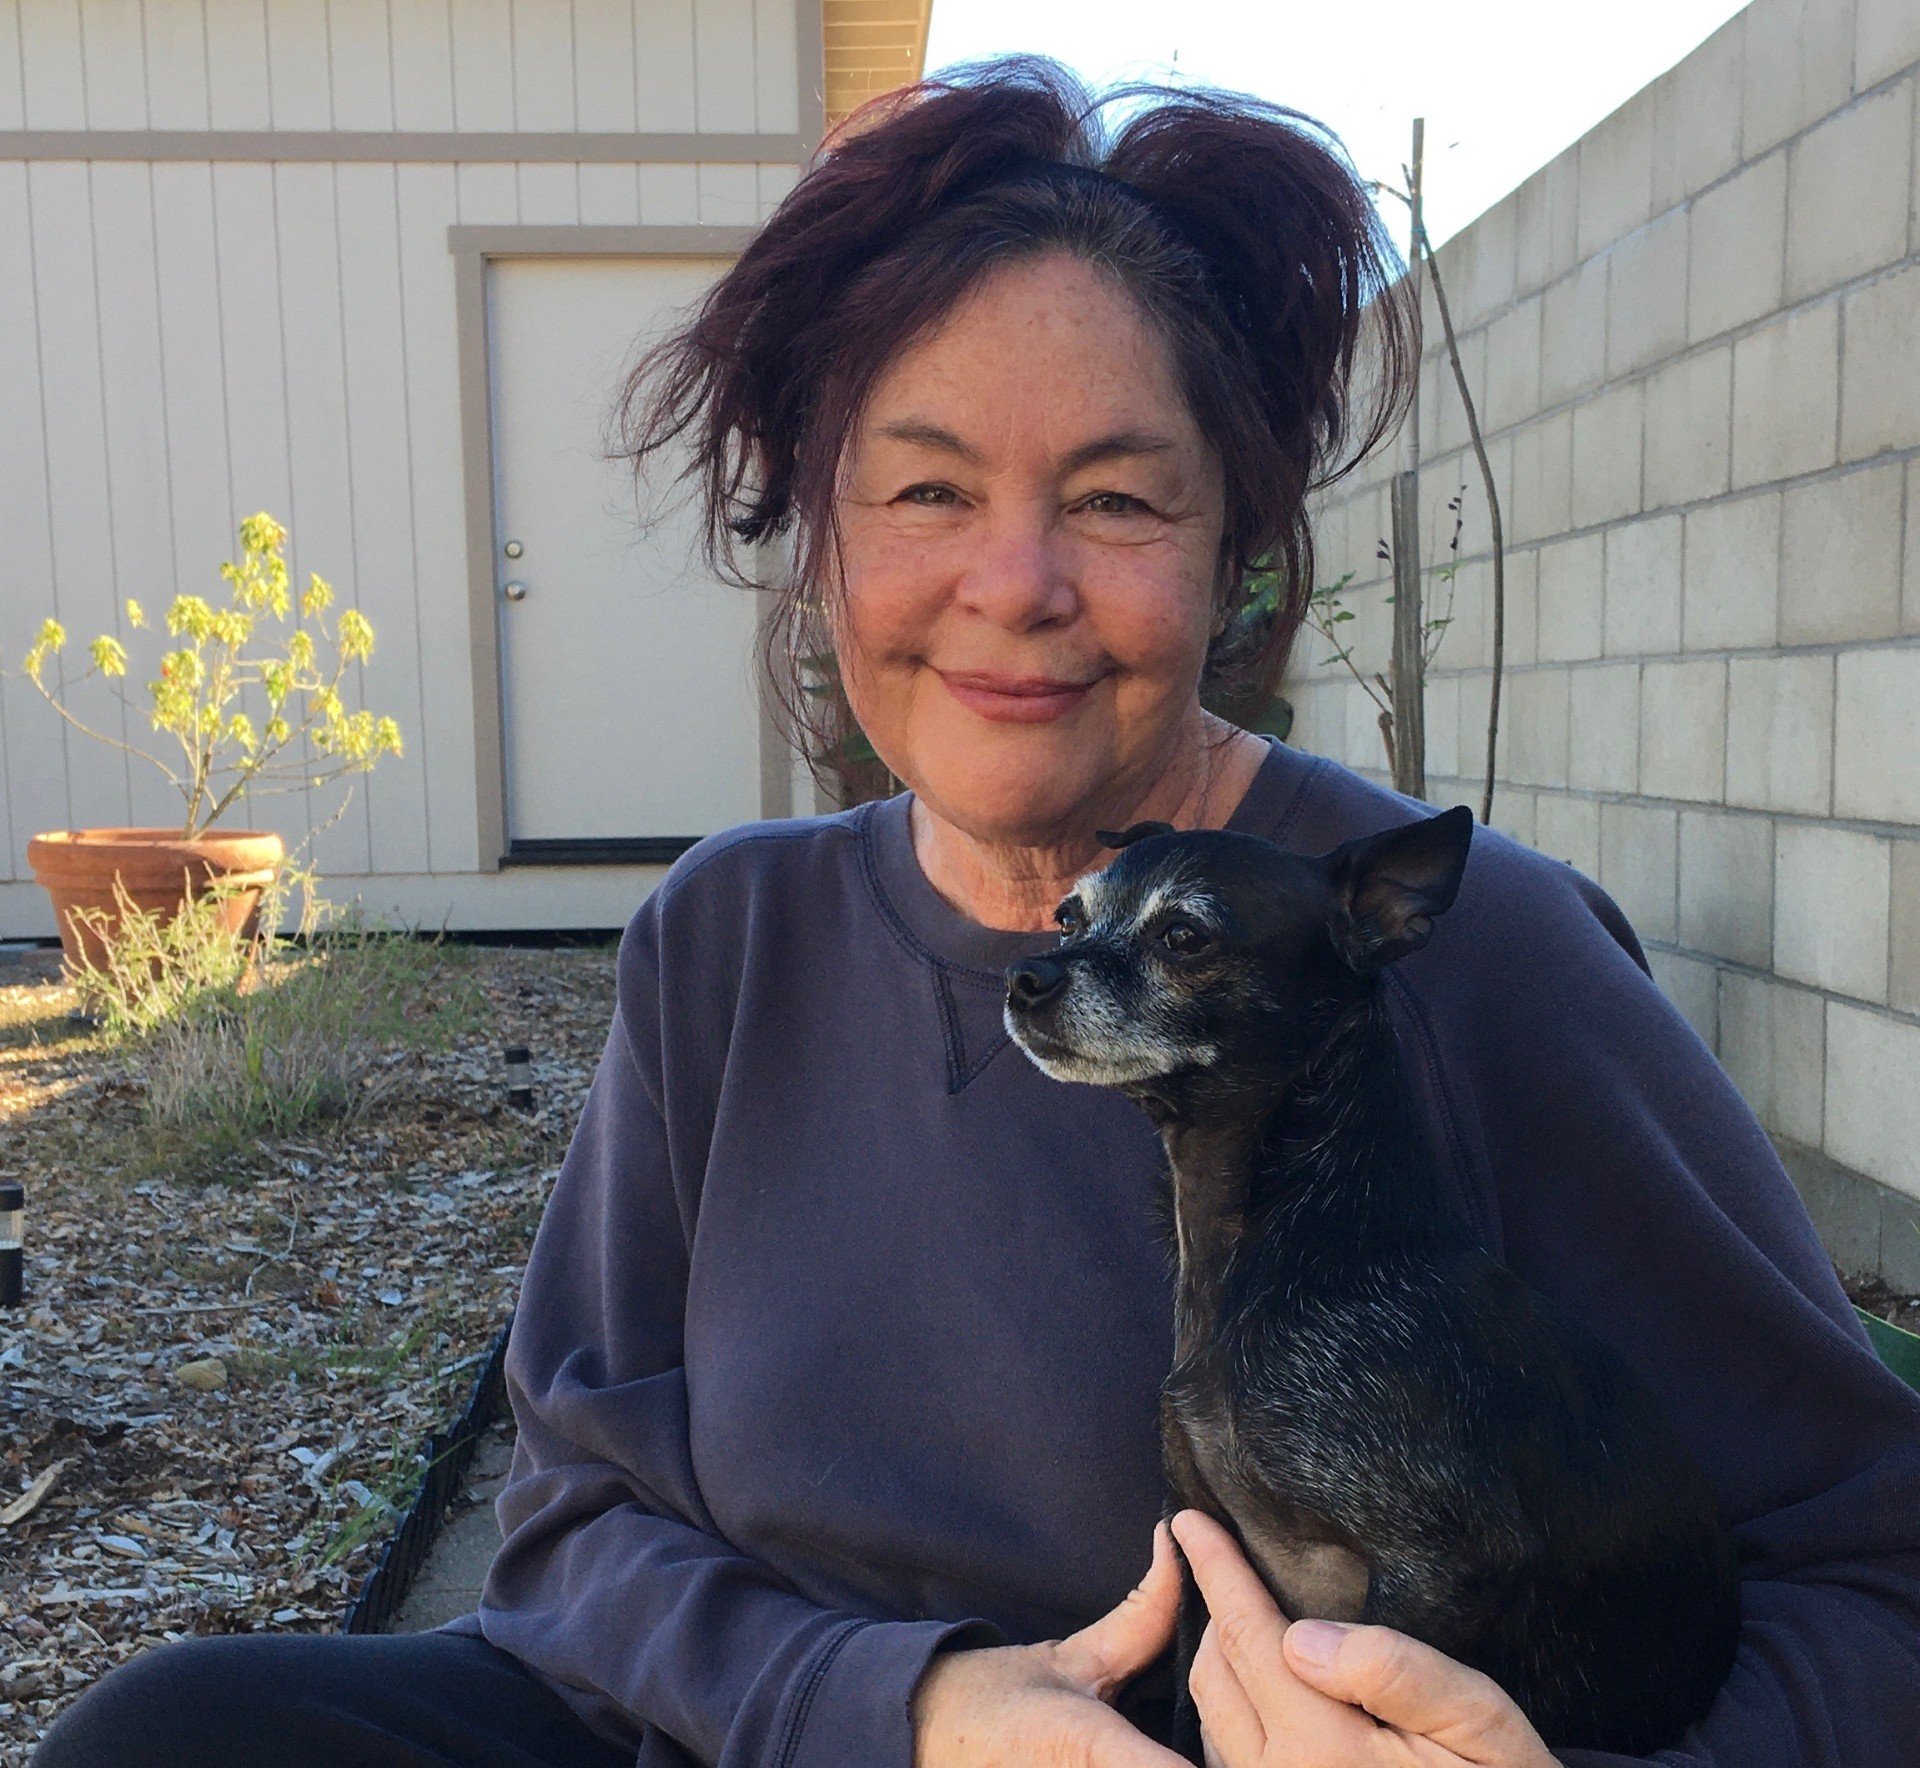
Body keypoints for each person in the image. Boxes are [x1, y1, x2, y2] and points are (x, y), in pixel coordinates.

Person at [33, 55, 1920, 1768]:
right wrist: (902, 1708)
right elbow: (575, 1523)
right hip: (761, 1745)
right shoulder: (726, 942)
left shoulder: (1460, 948)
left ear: (1232, 553)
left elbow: (1869, 1571)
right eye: (927, 488)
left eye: (1113, 502)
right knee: (183, 1737)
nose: (1011, 584)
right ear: (821, 529)